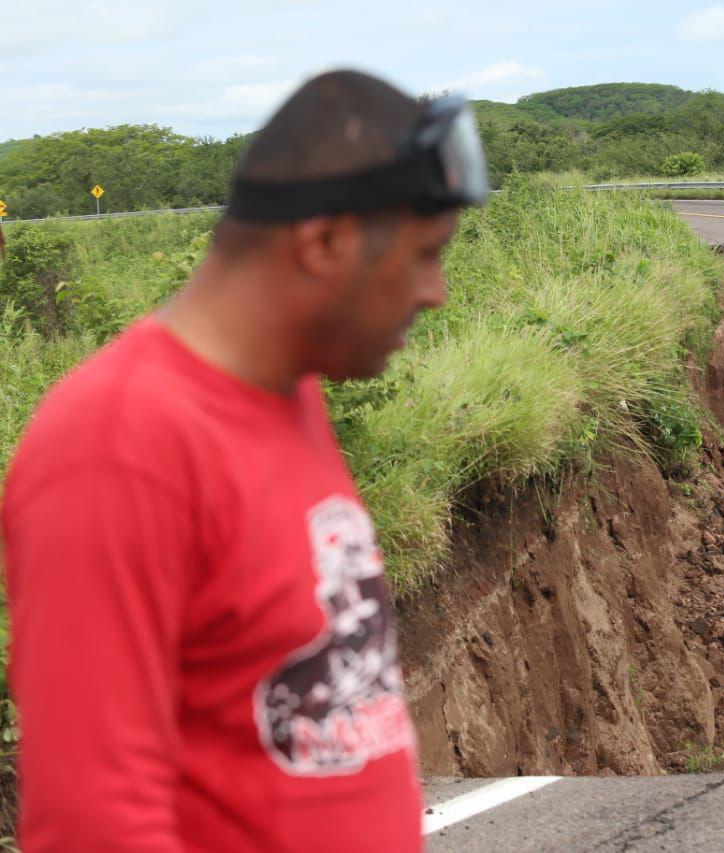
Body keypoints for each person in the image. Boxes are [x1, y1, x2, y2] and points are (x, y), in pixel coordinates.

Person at [2, 70, 488, 851]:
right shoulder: (118, 441)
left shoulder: (291, 391)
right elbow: (92, 820)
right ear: (324, 239)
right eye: (425, 254)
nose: (435, 291)